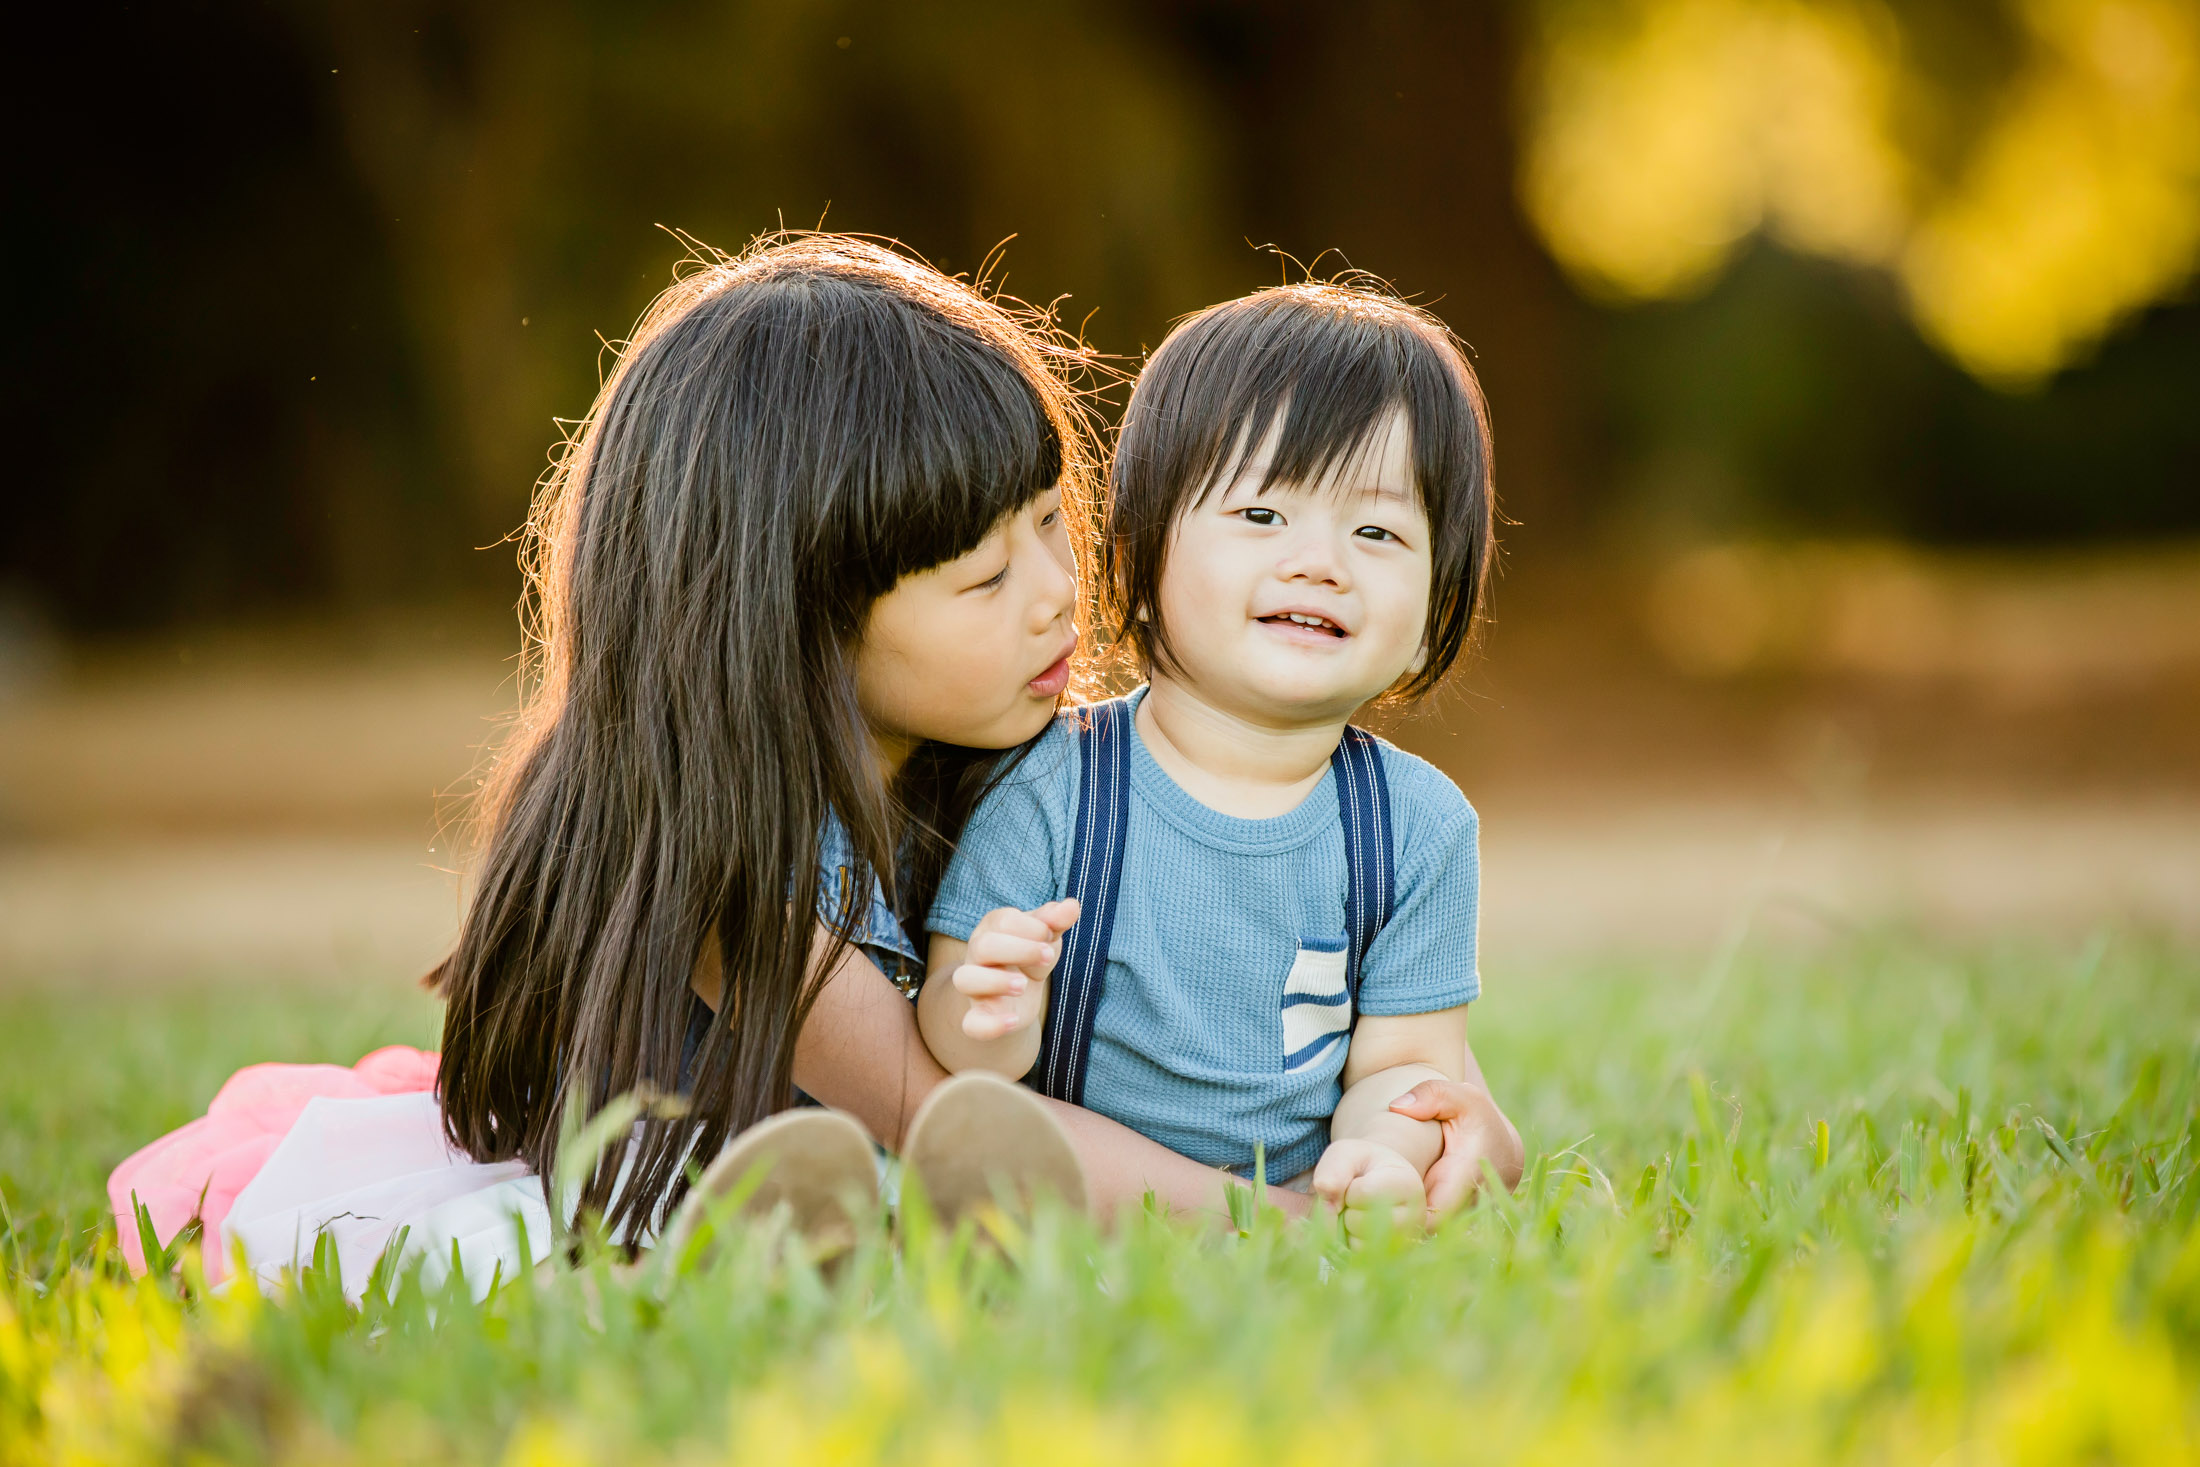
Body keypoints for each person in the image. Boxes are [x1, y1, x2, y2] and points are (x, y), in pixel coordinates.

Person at [918, 282, 1522, 1236]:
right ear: (1138, 566)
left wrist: (1381, 1152)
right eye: (1262, 516)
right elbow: (958, 1050)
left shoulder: (1416, 826)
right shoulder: (1055, 784)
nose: (1321, 561)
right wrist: (987, 1012)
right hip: (1075, 1212)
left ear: (1430, 621)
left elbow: (1406, 1064)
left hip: (1294, 1207)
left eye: (1377, 532)